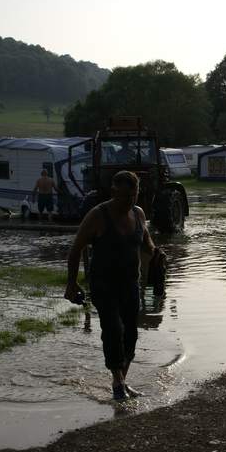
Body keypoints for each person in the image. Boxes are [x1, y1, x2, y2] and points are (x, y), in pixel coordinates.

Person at [64, 171, 164, 401]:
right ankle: (118, 384)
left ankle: (121, 381)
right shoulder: (97, 216)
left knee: (131, 334)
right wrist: (71, 283)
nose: (129, 201)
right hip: (103, 284)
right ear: (113, 192)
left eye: (133, 195)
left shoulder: (138, 213)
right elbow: (76, 249)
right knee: (113, 330)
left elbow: (146, 239)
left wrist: (155, 252)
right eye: (124, 196)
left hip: (130, 283)